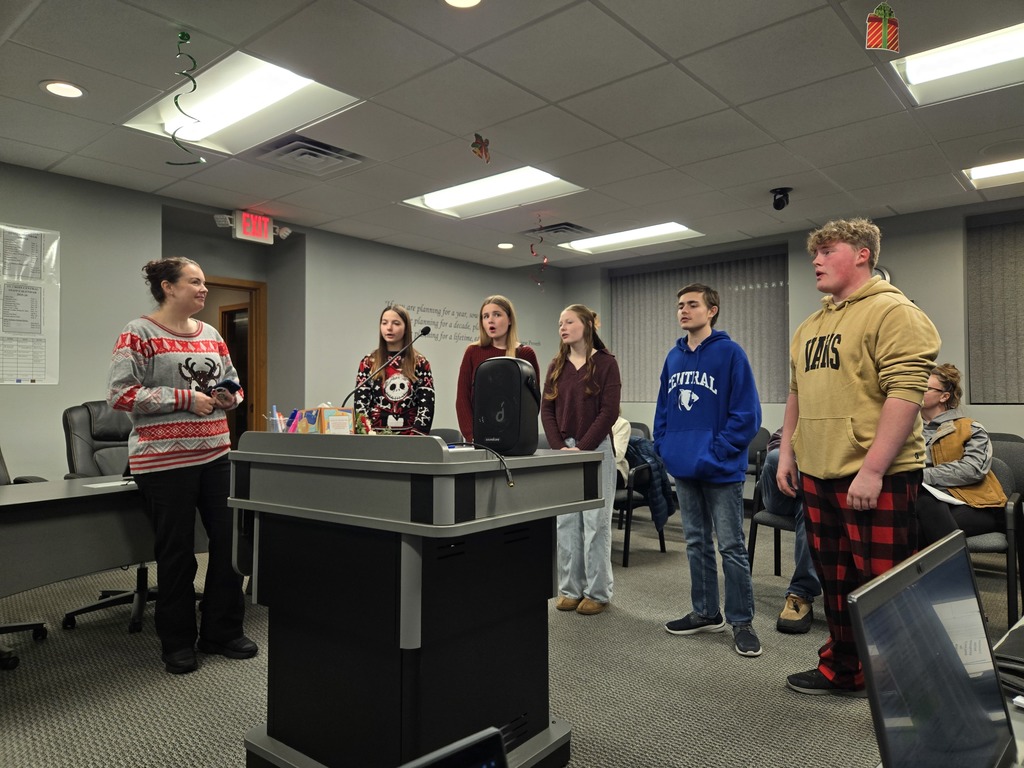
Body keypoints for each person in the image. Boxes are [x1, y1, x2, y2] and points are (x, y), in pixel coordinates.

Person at [778, 218, 940, 696]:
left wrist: (872, 470)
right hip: (818, 471)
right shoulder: (812, 324)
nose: (817, 260)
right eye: (815, 253)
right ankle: (845, 670)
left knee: (884, 586)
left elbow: (906, 394)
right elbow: (796, 394)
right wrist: (788, 452)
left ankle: (903, 687)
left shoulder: (895, 312)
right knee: (835, 582)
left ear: (863, 254)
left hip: (877, 477)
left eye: (827, 251)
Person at [107, 257, 256, 675]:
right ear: (168, 287)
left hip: (216, 453)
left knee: (230, 547)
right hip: (163, 462)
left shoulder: (210, 333)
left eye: (204, 282)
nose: (203, 289)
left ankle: (221, 632)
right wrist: (186, 399)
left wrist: (230, 396)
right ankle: (177, 642)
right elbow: (120, 395)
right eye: (195, 282)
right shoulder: (139, 333)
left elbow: (232, 381)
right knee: (178, 555)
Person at [656, 283, 763, 657]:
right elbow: (664, 410)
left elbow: (747, 415)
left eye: (692, 305)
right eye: (680, 305)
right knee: (696, 542)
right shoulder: (673, 357)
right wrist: (665, 447)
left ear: (712, 310)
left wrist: (717, 450)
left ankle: (741, 621)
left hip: (720, 469)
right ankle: (705, 612)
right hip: (684, 467)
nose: (684, 311)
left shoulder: (731, 354)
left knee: (731, 546)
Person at [541, 304, 621, 616]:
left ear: (586, 325)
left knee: (595, 523)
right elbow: (547, 409)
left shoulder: (606, 363)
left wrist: (583, 447)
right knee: (566, 523)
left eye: (569, 321)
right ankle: (569, 589)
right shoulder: (556, 364)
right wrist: (559, 446)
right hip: (564, 450)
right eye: (560, 322)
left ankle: (597, 592)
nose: (562, 327)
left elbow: (609, 411)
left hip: (597, 449)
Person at [917, 363, 1006, 545]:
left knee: (918, 525)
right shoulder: (907, 429)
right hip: (926, 501)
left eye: (924, 388)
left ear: (944, 396)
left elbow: (972, 469)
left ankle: (949, 571)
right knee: (920, 510)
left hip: (973, 504)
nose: (917, 391)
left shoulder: (970, 428)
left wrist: (919, 476)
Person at [759, 427, 821, 634]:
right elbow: (776, 443)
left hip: (813, 497)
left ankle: (801, 593)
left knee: (809, 507)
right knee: (777, 457)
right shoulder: (806, 412)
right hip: (781, 493)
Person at [455, 295, 540, 442]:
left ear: (510, 320)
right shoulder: (473, 351)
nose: (490, 320)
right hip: (480, 437)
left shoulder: (524, 353)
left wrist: (519, 433)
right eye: (485, 316)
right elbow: (462, 397)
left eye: (497, 314)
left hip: (514, 437)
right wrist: (471, 435)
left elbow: (533, 403)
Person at [353, 304, 435, 435]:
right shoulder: (368, 362)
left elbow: (426, 407)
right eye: (384, 323)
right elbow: (361, 405)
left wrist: (415, 438)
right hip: (374, 440)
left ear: (406, 328)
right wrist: (367, 435)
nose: (389, 328)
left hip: (410, 441)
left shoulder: (420, 363)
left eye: (396, 323)